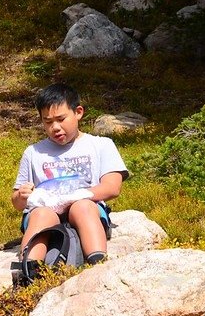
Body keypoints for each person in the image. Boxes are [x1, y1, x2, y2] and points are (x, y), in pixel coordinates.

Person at [11, 83, 129, 267]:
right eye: (48, 122)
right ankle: (28, 272)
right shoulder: (33, 152)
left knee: (82, 207)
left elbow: (113, 187)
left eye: (61, 119)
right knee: (41, 215)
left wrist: (75, 196)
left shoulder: (101, 145)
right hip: (45, 212)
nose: (55, 127)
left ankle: (98, 265)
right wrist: (22, 195)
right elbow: (17, 203)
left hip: (87, 209)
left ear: (78, 112)